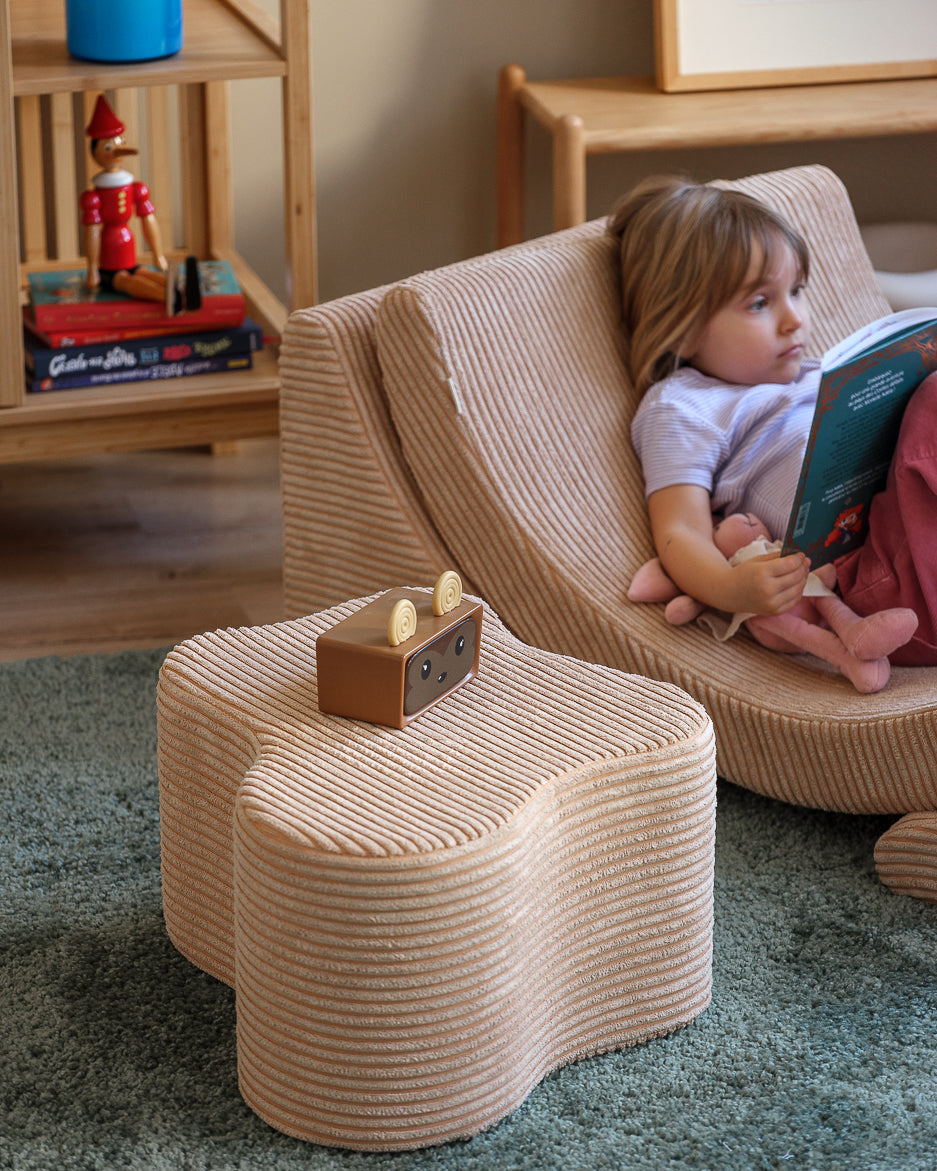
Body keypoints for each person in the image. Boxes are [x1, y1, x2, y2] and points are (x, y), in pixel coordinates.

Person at [609, 174, 936, 666]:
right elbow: (680, 529)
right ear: (683, 329)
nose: (795, 319)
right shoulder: (681, 405)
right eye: (760, 303)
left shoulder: (811, 375)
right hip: (874, 577)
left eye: (797, 291)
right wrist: (727, 587)